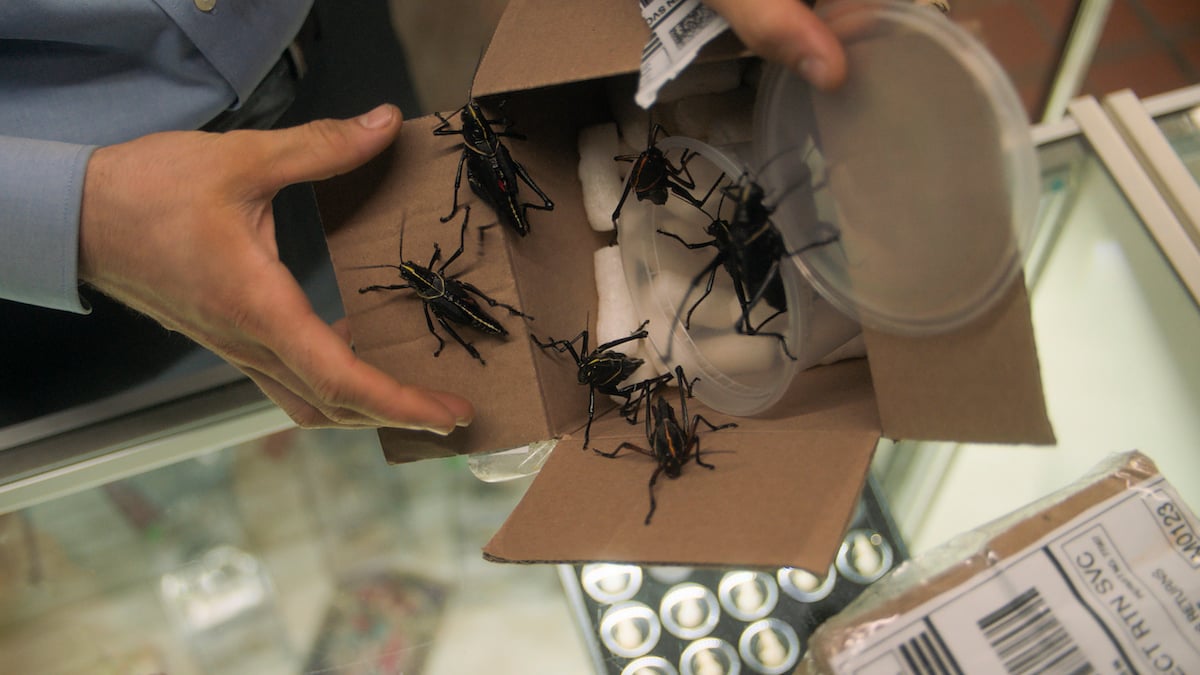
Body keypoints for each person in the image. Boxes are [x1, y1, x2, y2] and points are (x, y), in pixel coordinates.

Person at [0, 0, 845, 436]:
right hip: (60, 265)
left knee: (355, 278)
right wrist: (79, 218)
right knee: (249, 372)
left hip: (326, 53)